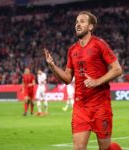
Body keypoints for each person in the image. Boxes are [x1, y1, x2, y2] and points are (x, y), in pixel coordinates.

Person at [44, 11, 122, 150]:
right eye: (76, 22)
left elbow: (117, 69)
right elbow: (68, 78)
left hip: (100, 106)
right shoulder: (72, 50)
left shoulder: (100, 44)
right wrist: (53, 66)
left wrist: (98, 81)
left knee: (105, 148)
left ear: (90, 27)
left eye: (82, 21)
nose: (78, 24)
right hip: (81, 107)